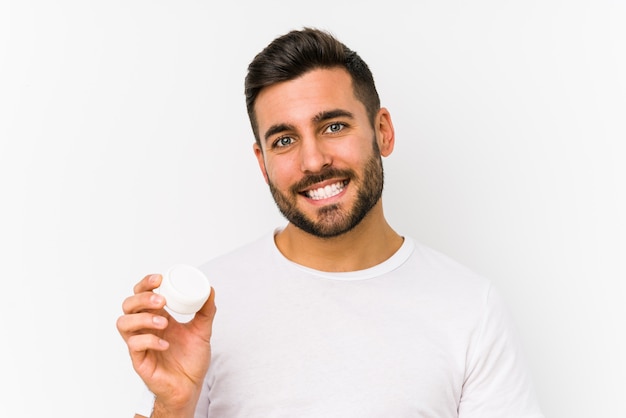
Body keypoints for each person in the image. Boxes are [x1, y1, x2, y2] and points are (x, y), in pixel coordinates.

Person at [117, 27, 544, 418]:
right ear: (262, 163)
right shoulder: (206, 308)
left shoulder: (469, 307)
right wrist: (172, 404)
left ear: (383, 132)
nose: (314, 161)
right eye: (284, 140)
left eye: (334, 126)